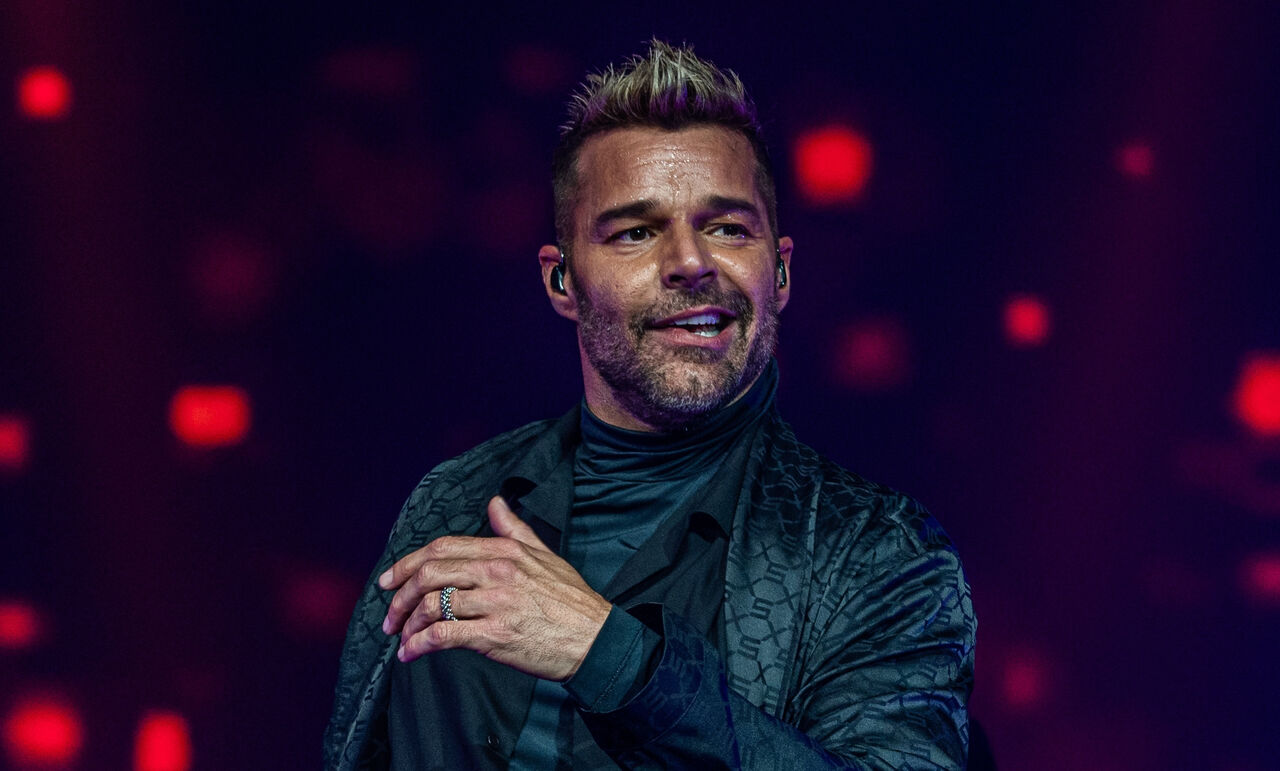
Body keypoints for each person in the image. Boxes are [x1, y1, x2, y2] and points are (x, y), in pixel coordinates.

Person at [325, 40, 975, 770]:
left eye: (727, 228)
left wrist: (609, 656)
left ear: (780, 270)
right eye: (636, 232)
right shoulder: (452, 501)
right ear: (562, 282)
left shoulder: (878, 553)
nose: (691, 262)